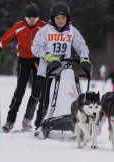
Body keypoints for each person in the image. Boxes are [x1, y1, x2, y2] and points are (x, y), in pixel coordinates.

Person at [31, 2, 91, 132]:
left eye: (63, 17)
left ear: (67, 18)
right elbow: (35, 48)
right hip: (47, 71)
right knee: (45, 99)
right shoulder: (45, 30)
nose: (60, 20)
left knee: (66, 98)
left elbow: (81, 46)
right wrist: (48, 57)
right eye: (57, 18)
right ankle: (39, 124)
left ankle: (69, 121)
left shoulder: (72, 31)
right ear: (53, 18)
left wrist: (84, 58)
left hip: (65, 72)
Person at [0, 4, 46, 132]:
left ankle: (27, 120)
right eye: (29, 18)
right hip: (24, 60)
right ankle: (10, 121)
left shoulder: (43, 26)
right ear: (25, 18)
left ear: (38, 18)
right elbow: (5, 38)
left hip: (39, 60)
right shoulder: (19, 26)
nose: (32, 21)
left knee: (36, 92)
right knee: (20, 90)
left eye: (34, 18)